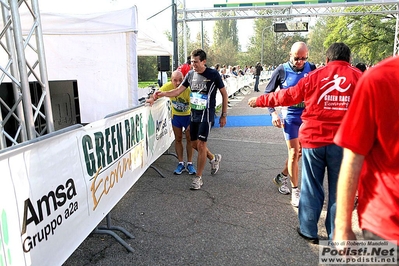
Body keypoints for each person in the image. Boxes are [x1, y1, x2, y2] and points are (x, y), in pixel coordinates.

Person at [248, 42, 363, 243]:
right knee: (340, 190)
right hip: (343, 143)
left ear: (327, 60)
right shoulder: (359, 77)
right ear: (349, 60)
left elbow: (288, 95)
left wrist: (259, 101)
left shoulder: (314, 76)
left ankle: (309, 230)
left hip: (314, 141)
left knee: (311, 186)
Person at [333, 56, 399, 254]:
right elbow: (353, 157)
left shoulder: (375, 77)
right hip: (386, 223)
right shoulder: (378, 78)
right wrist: (342, 226)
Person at [154, 49, 229, 190]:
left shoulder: (213, 74)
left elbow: (224, 94)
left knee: (201, 145)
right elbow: (177, 91)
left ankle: (198, 178)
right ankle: (213, 158)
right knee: (194, 144)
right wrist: (162, 93)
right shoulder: (190, 74)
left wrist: (224, 114)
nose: (193, 64)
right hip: (194, 114)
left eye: (196, 61)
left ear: (203, 61)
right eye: (191, 61)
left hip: (206, 114)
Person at [262, 41, 316, 207]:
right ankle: (295, 191)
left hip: (307, 117)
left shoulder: (312, 68)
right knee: (294, 153)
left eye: (303, 58)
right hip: (290, 116)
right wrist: (273, 113)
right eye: (296, 58)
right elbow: (267, 93)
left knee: (299, 153)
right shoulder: (282, 70)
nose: (300, 62)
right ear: (290, 55)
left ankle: (282, 177)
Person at [147, 70, 196, 175]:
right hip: (176, 117)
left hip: (188, 116)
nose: (178, 83)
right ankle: (181, 163)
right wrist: (152, 99)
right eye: (175, 80)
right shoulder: (168, 86)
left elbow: (196, 107)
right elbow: (156, 94)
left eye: (180, 80)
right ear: (171, 80)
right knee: (178, 139)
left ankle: (190, 163)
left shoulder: (187, 88)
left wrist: (192, 121)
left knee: (190, 140)